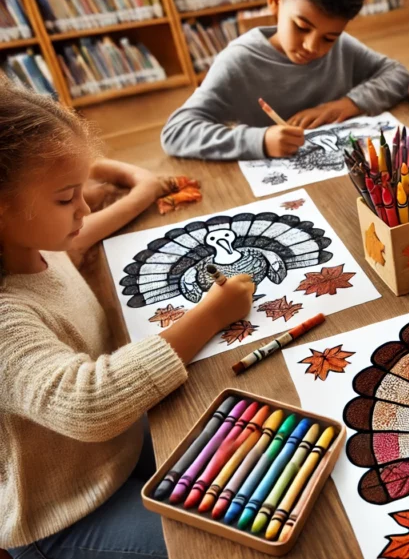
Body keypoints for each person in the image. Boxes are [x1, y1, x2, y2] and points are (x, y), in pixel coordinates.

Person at [1, 83, 256, 558]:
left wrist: (140, 187)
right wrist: (212, 313)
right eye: (65, 199)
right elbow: (91, 402)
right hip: (64, 513)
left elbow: (80, 236)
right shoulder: (4, 318)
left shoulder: (39, 246)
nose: (84, 208)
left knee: (251, 470)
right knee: (219, 546)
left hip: (116, 448)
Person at [161, 0, 409, 160]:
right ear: (275, 0)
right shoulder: (238, 62)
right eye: (302, 27)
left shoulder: (342, 47)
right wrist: (259, 140)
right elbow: (176, 132)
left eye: (329, 37)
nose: (313, 47)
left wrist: (349, 103)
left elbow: (398, 74)